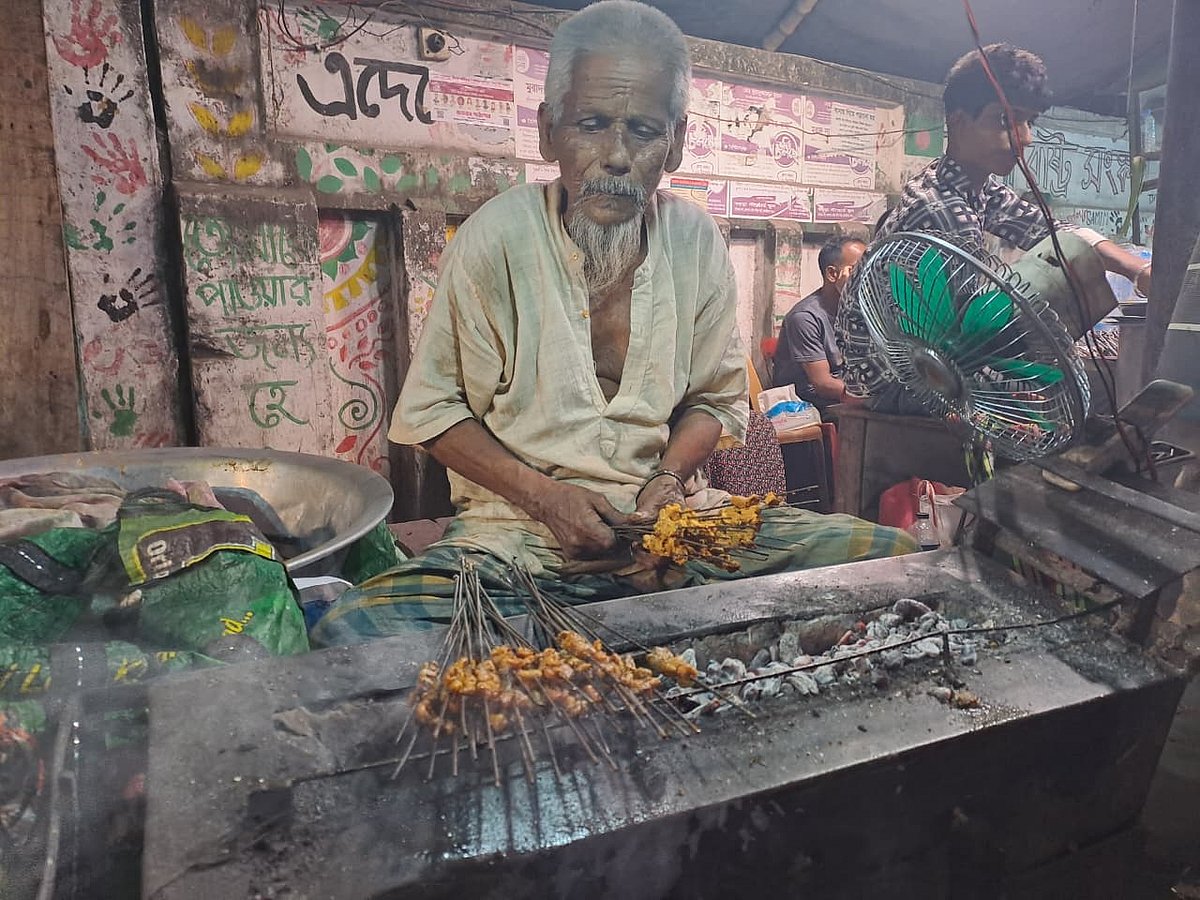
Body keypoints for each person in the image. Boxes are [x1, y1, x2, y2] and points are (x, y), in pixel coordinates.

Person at [312, 0, 915, 647]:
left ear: (676, 141)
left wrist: (664, 482)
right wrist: (547, 499)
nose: (617, 156)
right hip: (515, 539)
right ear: (548, 131)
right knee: (356, 636)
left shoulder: (694, 241)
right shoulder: (499, 239)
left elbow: (715, 399)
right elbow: (433, 415)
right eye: (592, 124)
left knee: (896, 562)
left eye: (644, 130)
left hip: (676, 530)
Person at [838, 43, 1153, 414]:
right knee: (1082, 396)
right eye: (1005, 120)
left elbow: (1056, 233)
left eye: (1029, 122)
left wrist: (1139, 271)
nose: (1026, 137)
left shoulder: (976, 188)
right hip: (898, 384)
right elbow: (979, 333)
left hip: (930, 368)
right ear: (958, 121)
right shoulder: (940, 211)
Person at [773, 237, 867, 411]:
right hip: (813, 406)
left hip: (850, 397)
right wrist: (871, 400)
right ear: (832, 274)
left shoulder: (861, 311)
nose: (866, 278)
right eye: (858, 270)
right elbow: (823, 384)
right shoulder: (805, 317)